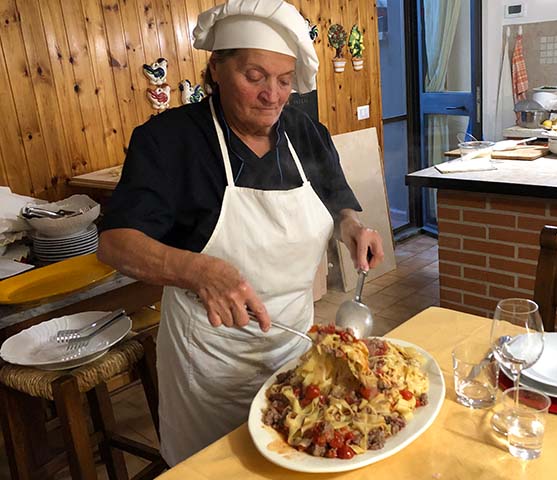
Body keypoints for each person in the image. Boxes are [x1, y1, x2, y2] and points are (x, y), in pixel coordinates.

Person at [97, 0, 384, 466]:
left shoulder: (304, 131)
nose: (272, 95)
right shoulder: (170, 140)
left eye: (284, 81)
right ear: (216, 68)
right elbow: (116, 244)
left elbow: (337, 197)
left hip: (295, 348)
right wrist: (196, 269)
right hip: (211, 361)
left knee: (295, 454)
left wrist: (351, 225)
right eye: (255, 76)